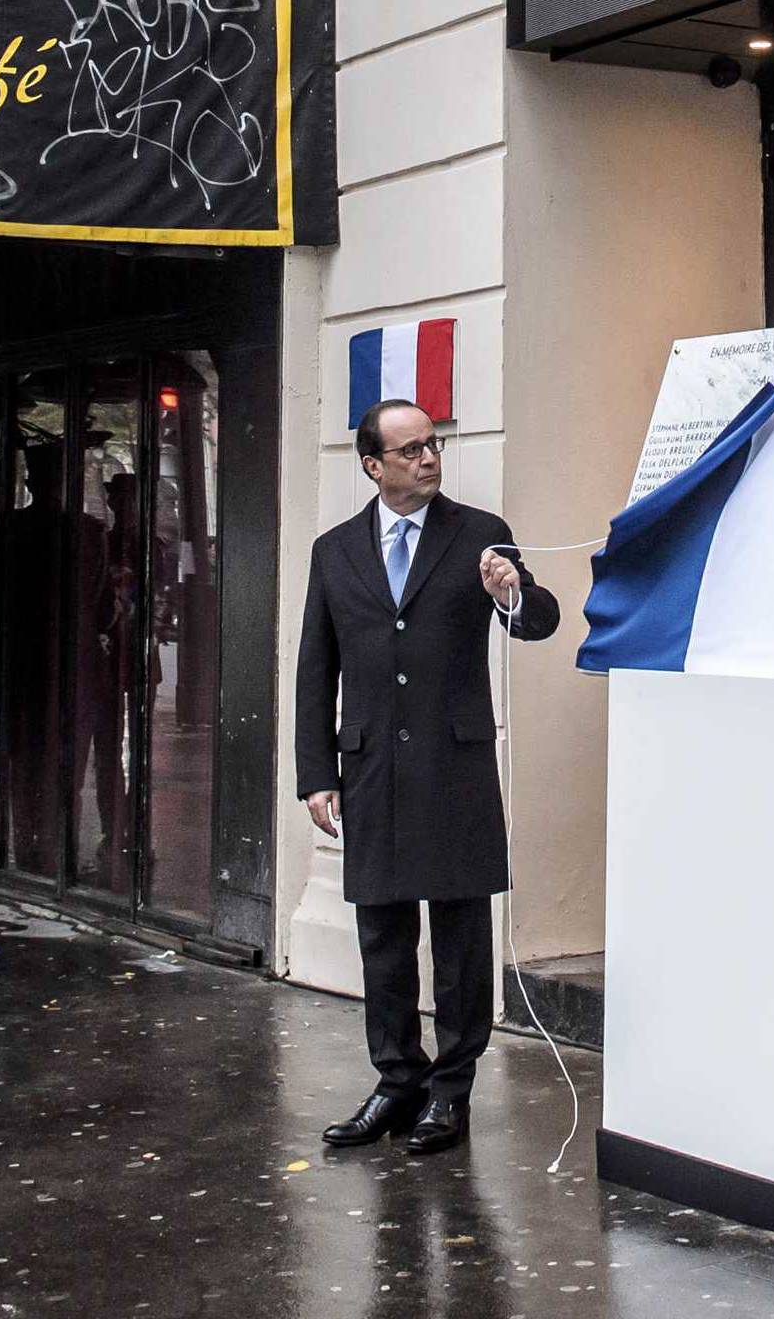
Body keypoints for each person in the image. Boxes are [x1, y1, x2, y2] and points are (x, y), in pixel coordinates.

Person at [296, 397, 560, 1154]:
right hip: (371, 765)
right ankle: (395, 1082)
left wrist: (511, 591)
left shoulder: (480, 533)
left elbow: (538, 618)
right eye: (410, 450)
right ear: (374, 465)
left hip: (454, 764)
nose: (429, 458)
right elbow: (317, 667)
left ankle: (453, 1091)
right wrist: (317, 771)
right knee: (381, 933)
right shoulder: (335, 550)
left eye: (433, 445)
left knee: (460, 938)